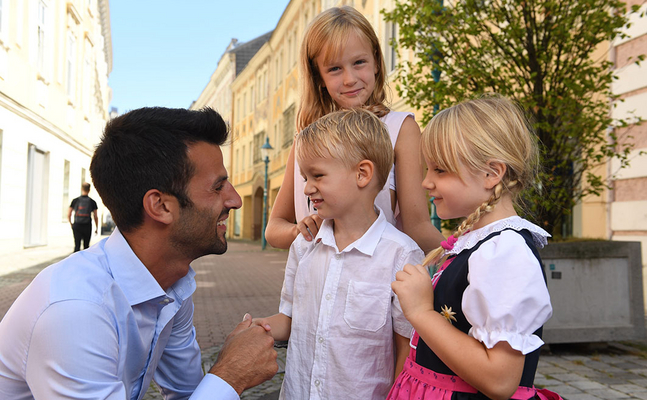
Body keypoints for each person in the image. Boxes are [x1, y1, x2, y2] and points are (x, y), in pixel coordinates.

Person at [0, 107, 278, 399]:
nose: (234, 200)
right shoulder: (76, 311)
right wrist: (230, 375)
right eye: (218, 187)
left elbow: (186, 392)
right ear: (160, 206)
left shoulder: (171, 285)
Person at [388, 96, 562, 400]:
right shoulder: (480, 243)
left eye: (439, 170)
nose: (426, 182)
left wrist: (420, 312)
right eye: (427, 169)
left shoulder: (506, 252)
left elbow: (499, 380)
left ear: (491, 173)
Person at [254, 109, 424, 399]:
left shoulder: (401, 256)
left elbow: (404, 350)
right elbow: (292, 319)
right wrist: (262, 327)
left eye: (317, 175)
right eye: (305, 177)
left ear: (362, 173)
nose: (307, 188)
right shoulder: (304, 244)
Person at [265, 5, 444, 254]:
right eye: (335, 69)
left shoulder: (400, 130)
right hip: (316, 286)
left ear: (376, 63)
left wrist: (463, 256)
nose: (349, 79)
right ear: (319, 78)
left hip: (376, 286)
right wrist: (299, 231)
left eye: (359, 62)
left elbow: (418, 227)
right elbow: (274, 228)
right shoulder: (305, 140)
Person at [68, 182, 99, 252]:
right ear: (89, 190)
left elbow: (69, 214)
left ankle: (75, 262)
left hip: (77, 225)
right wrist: (96, 228)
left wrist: (71, 224)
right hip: (87, 226)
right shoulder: (92, 202)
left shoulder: (75, 201)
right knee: (86, 247)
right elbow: (96, 216)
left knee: (77, 246)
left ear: (82, 189)